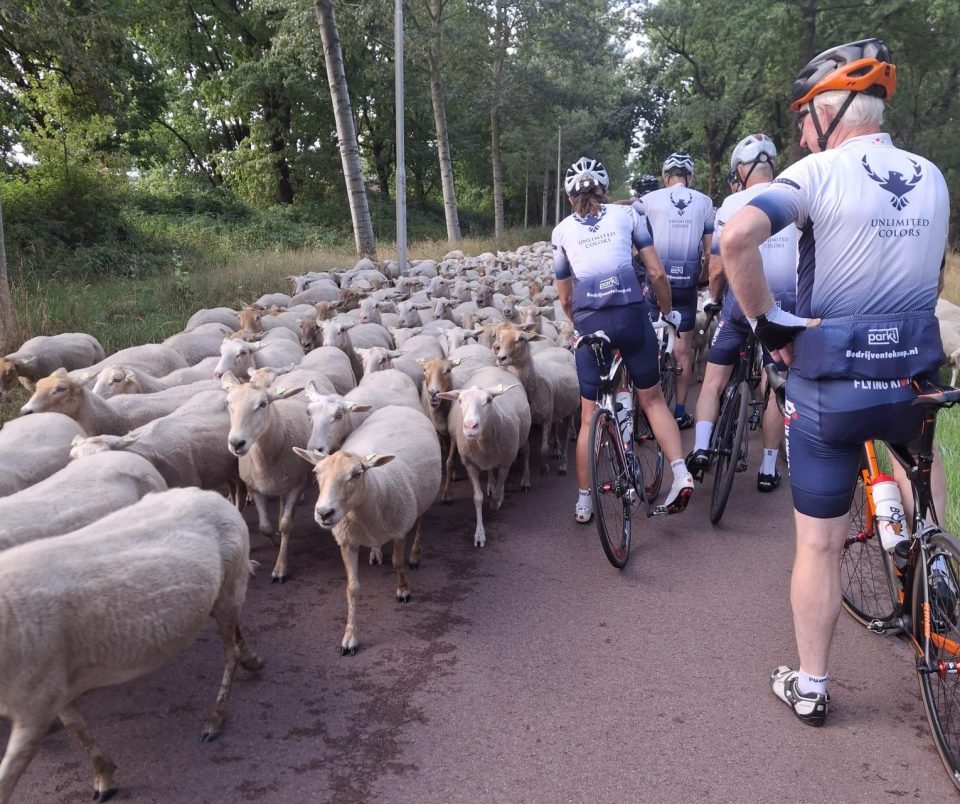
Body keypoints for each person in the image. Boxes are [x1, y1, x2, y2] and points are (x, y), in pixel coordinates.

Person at [721, 39, 949, 726]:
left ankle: (813, 685)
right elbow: (934, 275)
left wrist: (768, 325)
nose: (797, 133)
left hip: (833, 386)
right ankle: (931, 557)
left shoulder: (815, 173)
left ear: (831, 114)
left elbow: (737, 239)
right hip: (913, 375)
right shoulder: (932, 176)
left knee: (818, 544)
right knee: (920, 466)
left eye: (802, 119)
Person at [552, 156, 694, 523]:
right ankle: (681, 473)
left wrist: (581, 322)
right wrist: (665, 310)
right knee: (652, 399)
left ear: (570, 198)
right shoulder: (628, 217)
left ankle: (585, 501)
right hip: (632, 316)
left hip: (589, 323)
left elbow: (565, 297)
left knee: (587, 417)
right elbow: (656, 272)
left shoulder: (562, 232)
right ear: (604, 190)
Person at [686, 133, 798, 492]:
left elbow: (717, 267)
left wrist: (715, 299)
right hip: (784, 306)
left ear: (740, 171)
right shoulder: (796, 196)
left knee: (714, 380)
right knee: (774, 385)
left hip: (740, 304)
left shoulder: (733, 204)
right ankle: (768, 469)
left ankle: (701, 448)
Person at [635, 152, 715, 429]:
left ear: (665, 176)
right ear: (689, 177)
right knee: (683, 351)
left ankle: (646, 409)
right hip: (686, 286)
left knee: (648, 345)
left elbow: (635, 243)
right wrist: (701, 281)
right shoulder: (705, 203)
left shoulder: (648, 200)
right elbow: (709, 253)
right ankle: (680, 411)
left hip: (657, 282)